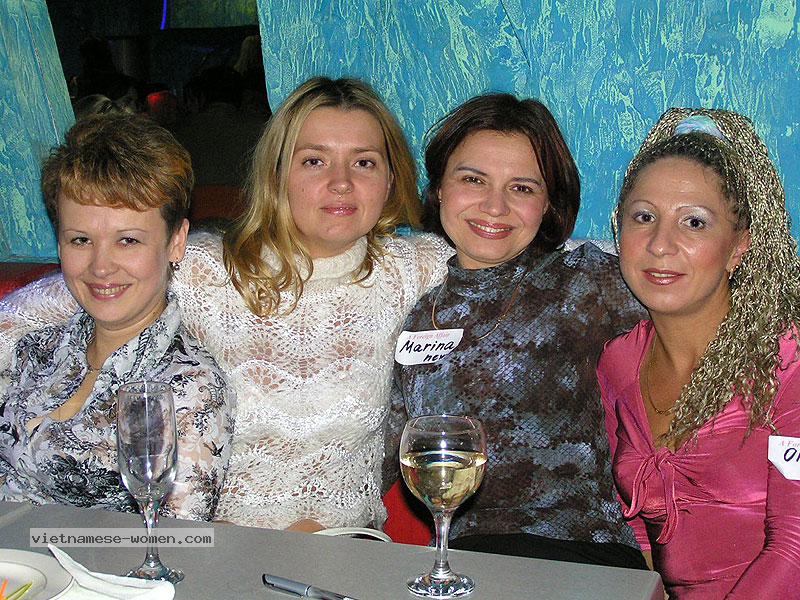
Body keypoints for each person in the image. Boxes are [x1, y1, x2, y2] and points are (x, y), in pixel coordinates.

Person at [0, 77, 452, 531]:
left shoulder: (414, 270)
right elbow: (33, 309)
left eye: (364, 162)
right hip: (214, 544)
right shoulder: (204, 269)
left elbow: (492, 253)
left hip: (346, 546)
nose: (341, 183)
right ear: (277, 174)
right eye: (314, 160)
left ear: (390, 179)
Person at [392, 93, 647, 568]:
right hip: (461, 557)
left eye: (522, 188)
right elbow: (388, 451)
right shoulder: (420, 313)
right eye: (473, 179)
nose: (495, 206)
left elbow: (709, 309)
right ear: (440, 188)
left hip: (581, 553)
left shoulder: (585, 283)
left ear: (548, 204)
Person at [598, 109, 800, 598]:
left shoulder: (787, 362)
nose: (660, 245)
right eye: (644, 217)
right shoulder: (618, 362)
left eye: (694, 222)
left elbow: (794, 549)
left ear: (739, 247)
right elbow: (638, 524)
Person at [0, 114, 234, 521]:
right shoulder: (32, 352)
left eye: (127, 240)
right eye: (81, 240)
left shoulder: (189, 389)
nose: (101, 266)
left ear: (176, 241)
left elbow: (172, 543)